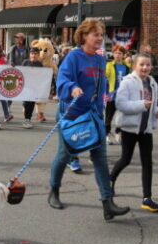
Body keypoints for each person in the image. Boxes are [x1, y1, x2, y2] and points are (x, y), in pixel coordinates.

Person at [47, 18, 130, 221]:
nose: (100, 38)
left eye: (101, 35)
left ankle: (107, 203)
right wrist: (72, 88)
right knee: (64, 154)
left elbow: (100, 87)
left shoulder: (101, 59)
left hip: (93, 115)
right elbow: (62, 80)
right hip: (73, 113)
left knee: (100, 158)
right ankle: (54, 191)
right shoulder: (74, 56)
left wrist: (102, 108)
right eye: (96, 34)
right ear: (84, 36)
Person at [110, 53, 158, 212]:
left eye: (148, 65)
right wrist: (142, 105)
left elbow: (152, 106)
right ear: (134, 66)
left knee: (147, 163)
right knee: (125, 159)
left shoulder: (153, 83)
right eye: (142, 64)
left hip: (145, 129)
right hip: (129, 129)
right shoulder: (127, 82)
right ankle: (110, 180)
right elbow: (121, 104)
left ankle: (147, 198)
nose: (145, 68)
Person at [105, 45, 130, 145]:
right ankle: (107, 134)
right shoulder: (110, 65)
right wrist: (107, 94)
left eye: (120, 53)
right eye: (115, 53)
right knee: (108, 117)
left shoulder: (127, 67)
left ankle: (118, 132)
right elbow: (105, 80)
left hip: (123, 97)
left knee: (122, 117)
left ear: (123, 55)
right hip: (112, 96)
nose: (117, 55)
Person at [21, 47, 44, 128]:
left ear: (38, 55)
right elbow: (21, 73)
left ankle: (28, 119)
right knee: (26, 103)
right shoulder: (25, 62)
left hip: (35, 87)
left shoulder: (40, 64)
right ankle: (26, 118)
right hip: (26, 87)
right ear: (30, 54)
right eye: (32, 53)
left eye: (35, 54)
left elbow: (42, 75)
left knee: (31, 104)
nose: (33, 55)